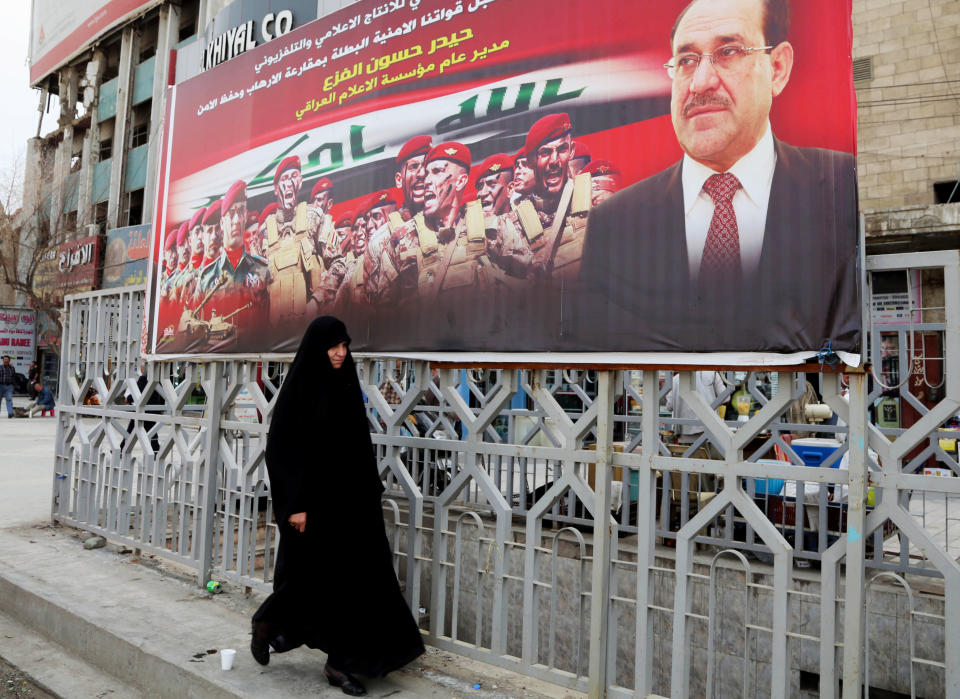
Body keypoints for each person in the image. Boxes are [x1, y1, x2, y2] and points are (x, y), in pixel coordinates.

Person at [579, 0, 858, 353]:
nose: (700, 82)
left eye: (728, 52)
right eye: (686, 61)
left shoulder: (837, 187)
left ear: (777, 68)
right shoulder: (613, 223)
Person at [251, 316, 424, 695]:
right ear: (317, 346)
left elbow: (356, 442)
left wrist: (369, 490)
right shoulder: (300, 388)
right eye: (334, 346)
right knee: (316, 580)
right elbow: (282, 450)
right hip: (315, 506)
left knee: (362, 583)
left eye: (345, 346)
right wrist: (295, 505)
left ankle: (340, 663)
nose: (340, 353)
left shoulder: (346, 381)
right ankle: (269, 624)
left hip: (354, 504)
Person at [664, 371, 727, 459]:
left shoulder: (676, 379)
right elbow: (725, 398)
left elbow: (669, 406)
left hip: (685, 434)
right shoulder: (712, 374)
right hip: (709, 433)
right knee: (714, 468)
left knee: (691, 470)